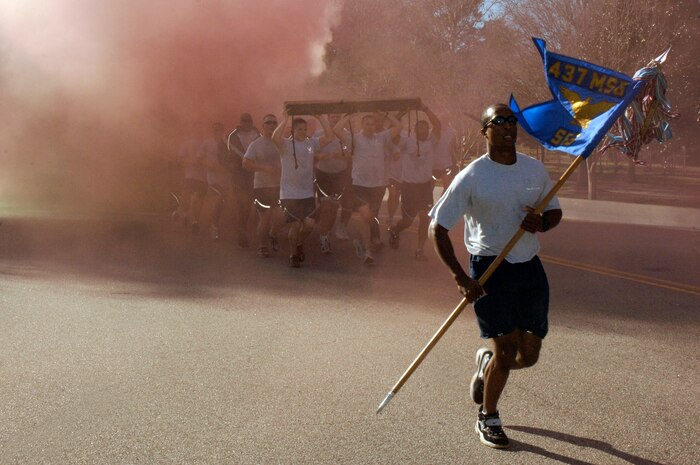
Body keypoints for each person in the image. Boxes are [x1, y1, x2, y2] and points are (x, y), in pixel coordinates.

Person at [428, 103, 562, 449]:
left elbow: (554, 211)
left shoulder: (533, 170)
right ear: (484, 131)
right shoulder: (472, 176)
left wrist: (542, 222)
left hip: (530, 269)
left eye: (511, 121)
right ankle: (488, 416)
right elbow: (438, 229)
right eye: (498, 122)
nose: (507, 127)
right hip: (489, 269)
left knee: (528, 355)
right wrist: (461, 277)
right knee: (506, 350)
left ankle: (485, 364)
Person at [333, 112, 402, 264]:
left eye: (372, 124)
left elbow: (398, 126)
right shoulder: (355, 138)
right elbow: (337, 130)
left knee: (369, 218)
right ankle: (367, 249)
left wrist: (387, 114)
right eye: (367, 124)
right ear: (362, 125)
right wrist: (349, 116)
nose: (370, 127)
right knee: (365, 216)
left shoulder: (382, 137)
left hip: (378, 185)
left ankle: (366, 249)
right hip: (359, 185)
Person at [272, 112, 335, 268]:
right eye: (299, 129)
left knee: (309, 225)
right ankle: (293, 254)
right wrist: (286, 118)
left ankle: (299, 243)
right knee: (295, 225)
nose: (302, 131)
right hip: (289, 193)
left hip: (306, 193)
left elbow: (330, 137)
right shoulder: (285, 144)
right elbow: (274, 137)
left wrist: (321, 118)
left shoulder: (311, 143)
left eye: (304, 129)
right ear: (292, 131)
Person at [388, 105, 441, 261]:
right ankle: (396, 230)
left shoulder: (432, 141)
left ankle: (419, 249)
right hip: (409, 187)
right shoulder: (406, 142)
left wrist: (425, 109)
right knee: (407, 221)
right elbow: (393, 129)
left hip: (424, 186)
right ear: (415, 130)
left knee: (425, 218)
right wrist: (402, 111)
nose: (424, 131)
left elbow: (437, 125)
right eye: (421, 129)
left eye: (426, 128)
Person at [243, 114, 284, 258]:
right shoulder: (256, 144)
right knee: (265, 218)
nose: (272, 125)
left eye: (274, 123)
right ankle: (262, 246)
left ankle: (272, 234)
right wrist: (264, 168)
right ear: (263, 126)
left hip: (279, 186)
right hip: (262, 187)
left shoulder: (282, 142)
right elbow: (246, 163)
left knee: (281, 218)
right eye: (268, 123)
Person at [313, 113, 350, 254]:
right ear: (328, 118)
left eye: (337, 117)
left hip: (340, 175)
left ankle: (324, 226)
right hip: (323, 175)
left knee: (333, 208)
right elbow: (310, 151)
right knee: (327, 207)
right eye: (333, 116)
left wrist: (344, 154)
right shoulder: (318, 134)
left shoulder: (346, 135)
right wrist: (319, 156)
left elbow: (352, 152)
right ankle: (324, 237)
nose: (335, 119)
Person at [228, 113, 260, 248]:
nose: (247, 123)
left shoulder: (258, 135)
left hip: (256, 173)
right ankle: (242, 233)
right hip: (240, 175)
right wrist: (231, 165)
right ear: (240, 122)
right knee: (243, 204)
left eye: (249, 121)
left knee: (259, 204)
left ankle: (259, 233)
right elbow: (224, 154)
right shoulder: (232, 136)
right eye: (244, 121)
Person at [200, 122, 232, 241]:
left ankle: (213, 221)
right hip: (212, 177)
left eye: (219, 130)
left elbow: (232, 160)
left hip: (224, 177)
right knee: (219, 197)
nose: (217, 132)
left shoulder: (227, 144)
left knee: (221, 202)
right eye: (215, 130)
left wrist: (227, 167)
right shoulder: (207, 143)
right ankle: (214, 226)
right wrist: (209, 165)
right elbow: (200, 159)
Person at [173, 123, 207, 233]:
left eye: (200, 131)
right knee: (187, 196)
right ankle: (184, 213)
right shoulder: (186, 144)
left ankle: (194, 220)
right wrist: (193, 163)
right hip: (190, 175)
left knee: (199, 200)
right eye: (196, 130)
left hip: (203, 176)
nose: (199, 133)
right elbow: (180, 161)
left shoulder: (205, 144)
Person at [432, 114, 459, 194]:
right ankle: (432, 204)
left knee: (446, 186)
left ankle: (440, 204)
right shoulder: (432, 131)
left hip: (446, 164)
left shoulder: (453, 132)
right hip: (434, 164)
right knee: (432, 187)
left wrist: (455, 160)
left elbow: (453, 148)